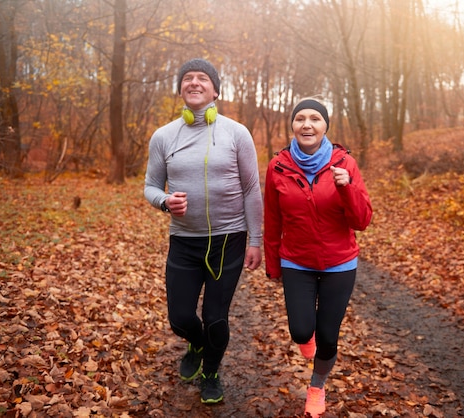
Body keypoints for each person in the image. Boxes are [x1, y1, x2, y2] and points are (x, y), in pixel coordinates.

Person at [144, 58, 263, 404]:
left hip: (229, 240)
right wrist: (166, 201)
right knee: (180, 318)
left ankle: (211, 370)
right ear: (180, 88)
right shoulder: (164, 136)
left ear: (215, 90)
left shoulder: (236, 133)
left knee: (215, 318)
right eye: (187, 79)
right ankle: (195, 344)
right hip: (183, 240)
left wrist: (256, 239)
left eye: (203, 78)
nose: (194, 83)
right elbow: (150, 186)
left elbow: (251, 189)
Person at [264, 98, 372, 418]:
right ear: (293, 126)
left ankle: (317, 386)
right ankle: (306, 337)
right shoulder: (278, 166)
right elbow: (272, 220)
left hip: (340, 263)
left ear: (326, 126)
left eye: (315, 118)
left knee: (328, 336)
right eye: (300, 118)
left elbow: (362, 221)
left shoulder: (345, 164)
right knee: (300, 331)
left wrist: (347, 188)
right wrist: (273, 266)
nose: (307, 124)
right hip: (296, 261)